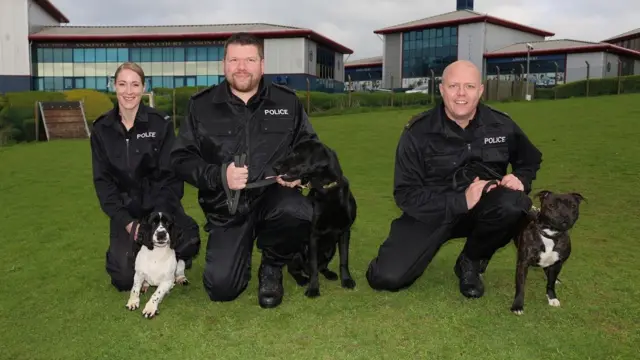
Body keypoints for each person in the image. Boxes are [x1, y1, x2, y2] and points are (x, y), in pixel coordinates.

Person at [366, 60, 543, 298]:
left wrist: (521, 177)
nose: (461, 93)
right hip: (432, 213)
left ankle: (470, 261)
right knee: (386, 278)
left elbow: (530, 159)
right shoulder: (418, 132)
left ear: (480, 90)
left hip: (483, 210)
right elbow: (405, 194)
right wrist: (461, 201)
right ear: (441, 89)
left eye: (469, 86)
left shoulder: (501, 125)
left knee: (514, 203)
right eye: (453, 86)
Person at [170, 32, 316, 308]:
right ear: (224, 64)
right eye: (234, 59)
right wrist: (219, 175)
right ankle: (239, 250)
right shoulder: (201, 106)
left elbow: (310, 146)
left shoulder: (287, 102)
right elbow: (180, 159)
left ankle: (272, 264)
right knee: (222, 289)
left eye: (250, 59)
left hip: (274, 199)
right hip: (227, 208)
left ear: (262, 64)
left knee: (300, 211)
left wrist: (298, 171)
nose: (242, 67)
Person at [90, 62, 201, 292]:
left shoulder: (160, 124)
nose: (128, 91)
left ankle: (178, 258)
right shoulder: (102, 129)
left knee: (189, 240)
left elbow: (171, 178)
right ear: (114, 86)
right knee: (123, 279)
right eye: (122, 84)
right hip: (126, 211)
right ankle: (128, 251)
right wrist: (129, 224)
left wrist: (155, 220)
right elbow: (103, 183)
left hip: (159, 207)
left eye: (134, 84)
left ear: (143, 87)